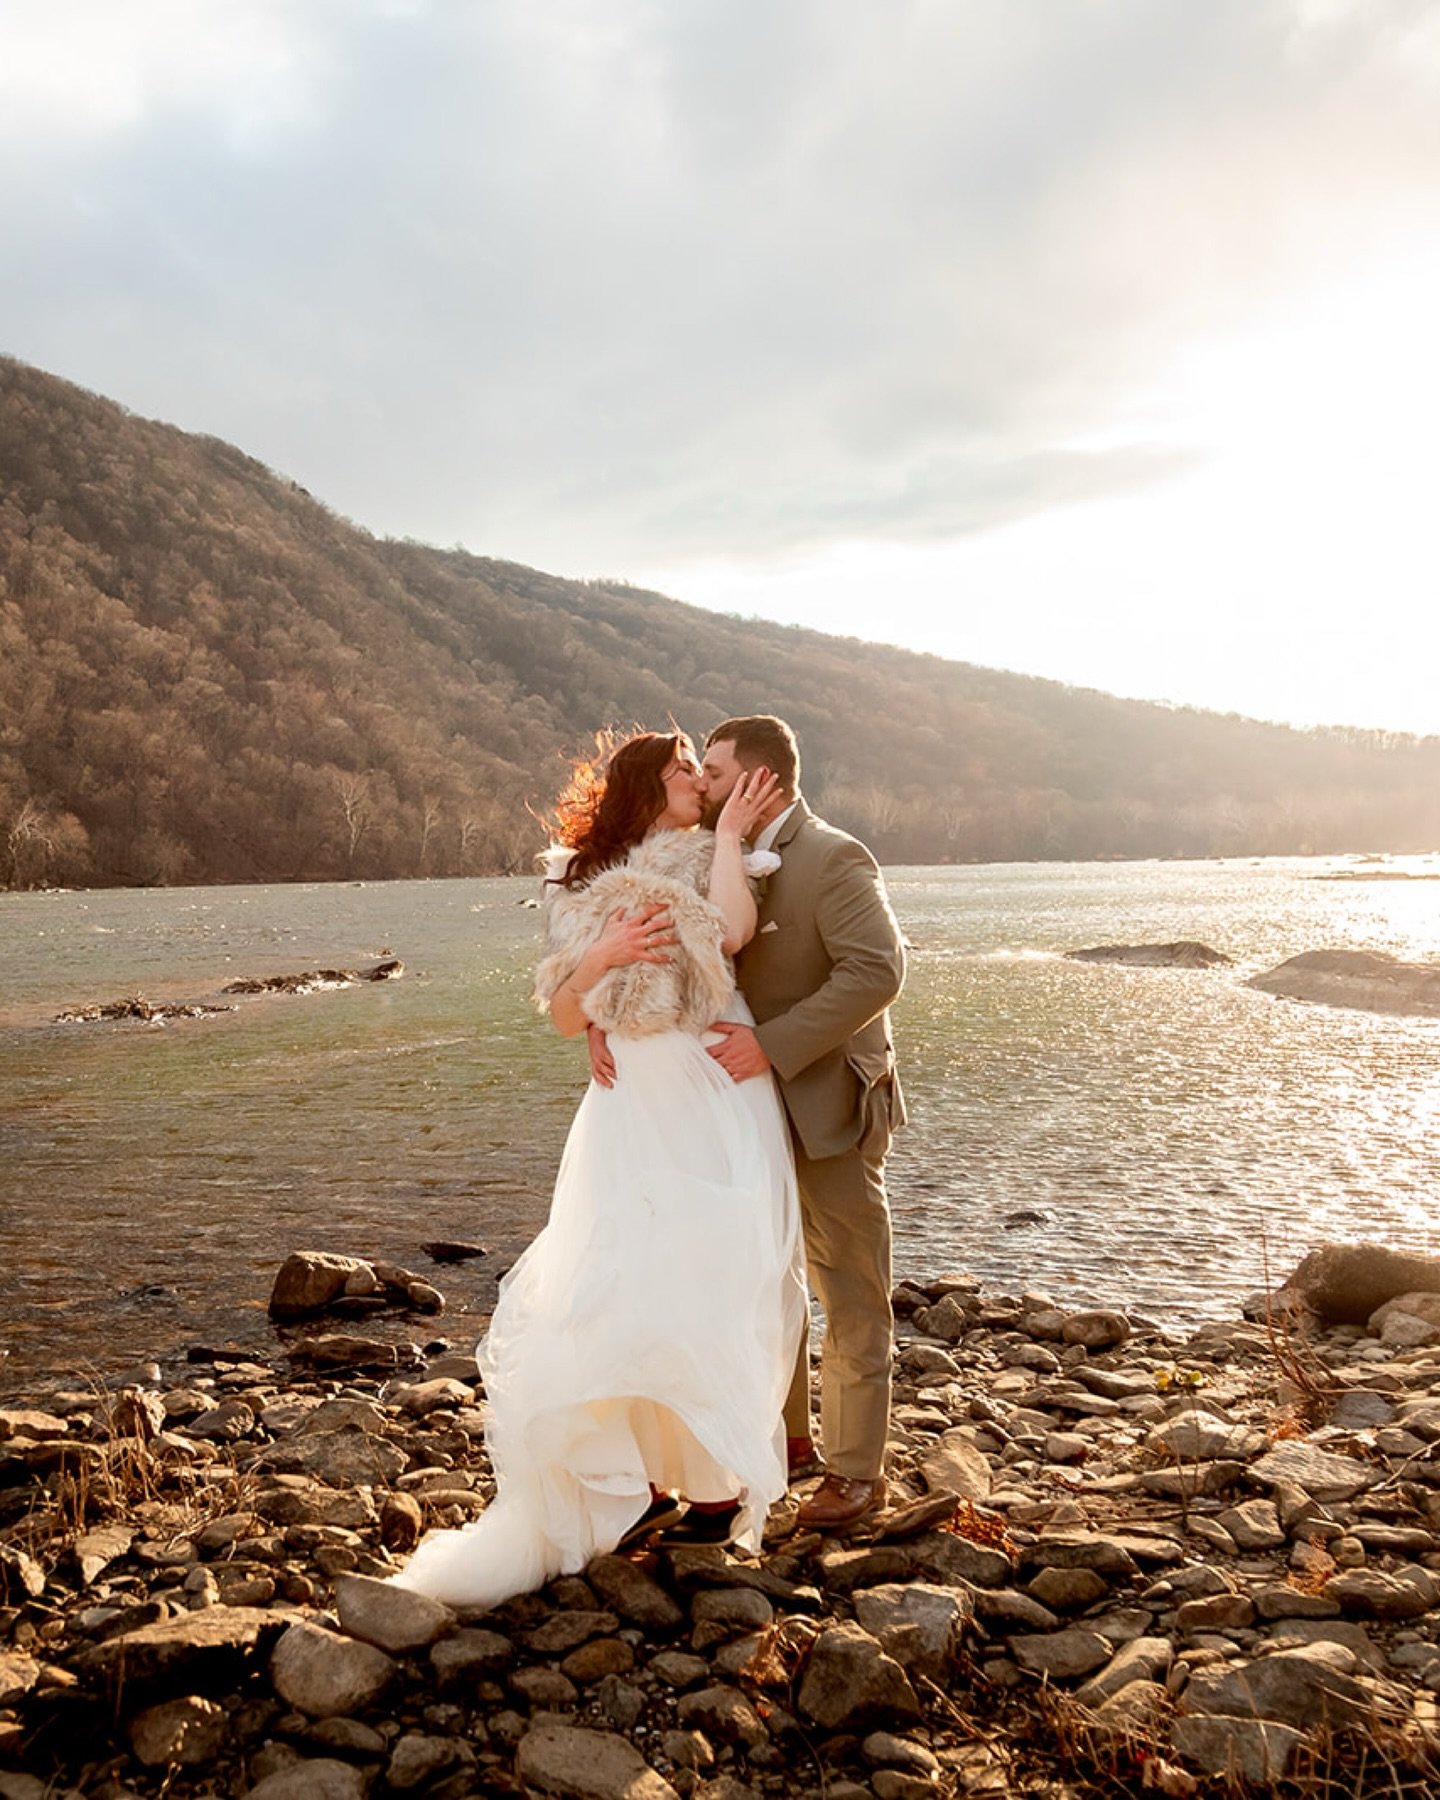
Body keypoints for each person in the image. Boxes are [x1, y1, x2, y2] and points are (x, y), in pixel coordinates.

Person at [390, 729, 806, 1610]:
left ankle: (713, 1485)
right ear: (647, 785)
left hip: (708, 1082)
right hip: (629, 1099)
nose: (698, 780)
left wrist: (730, 840)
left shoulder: (713, 851)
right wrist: (601, 964)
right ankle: (637, 1480)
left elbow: (732, 933)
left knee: (709, 1270)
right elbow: (563, 1015)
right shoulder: (579, 880)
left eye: (699, 767)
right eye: (684, 768)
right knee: (619, 1275)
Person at [698, 715, 905, 1532]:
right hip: (747, 1114)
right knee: (766, 1279)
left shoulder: (833, 856)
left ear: (762, 781)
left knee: (849, 1287)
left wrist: (771, 1046)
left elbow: (877, 972)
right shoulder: (711, 853)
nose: (703, 785)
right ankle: (787, 1443)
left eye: (716, 773)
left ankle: (856, 1474)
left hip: (829, 1106)